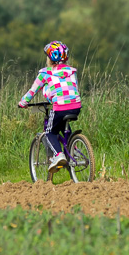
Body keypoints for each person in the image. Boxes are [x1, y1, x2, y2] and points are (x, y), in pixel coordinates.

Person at [18, 41, 82, 173]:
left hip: (59, 107)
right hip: (76, 106)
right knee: (64, 127)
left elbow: (32, 91)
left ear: (50, 59)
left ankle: (58, 156)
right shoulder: (72, 71)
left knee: (49, 132)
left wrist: (23, 103)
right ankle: (73, 151)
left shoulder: (45, 73)